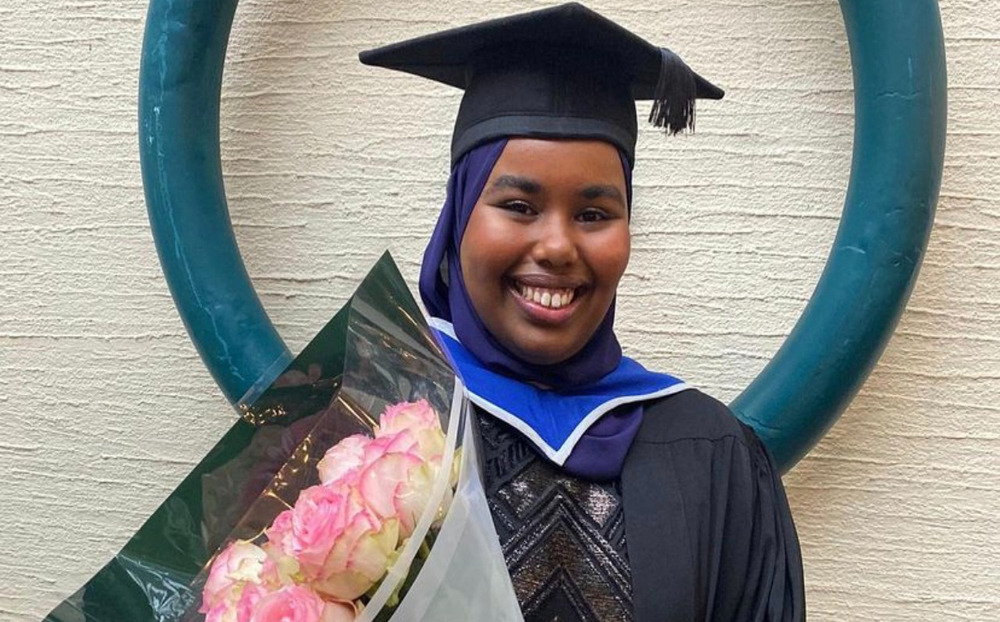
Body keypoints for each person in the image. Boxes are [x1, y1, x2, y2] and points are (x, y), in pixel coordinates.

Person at [361, 3, 805, 621]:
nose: (557, 247)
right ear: (459, 215)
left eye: (594, 215)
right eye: (518, 205)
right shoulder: (365, 419)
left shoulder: (710, 453)